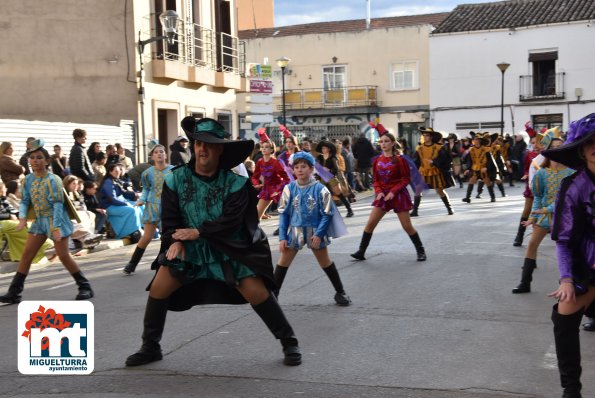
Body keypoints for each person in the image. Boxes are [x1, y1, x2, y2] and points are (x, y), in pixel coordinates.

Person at [125, 117, 302, 367]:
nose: (202, 149)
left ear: (220, 149)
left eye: (209, 144)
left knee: (256, 291)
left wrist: (197, 233)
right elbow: (170, 218)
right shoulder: (175, 180)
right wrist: (172, 242)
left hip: (228, 246)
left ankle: (289, 341)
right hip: (188, 247)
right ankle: (150, 346)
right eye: (198, 143)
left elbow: (232, 221)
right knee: (159, 285)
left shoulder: (236, 184)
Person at [0, 139, 94, 304]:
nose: (34, 161)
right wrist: (22, 220)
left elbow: (58, 204)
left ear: (47, 161)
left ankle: (85, 286)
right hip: (39, 221)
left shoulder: (54, 179)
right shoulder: (27, 180)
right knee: (27, 256)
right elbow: (24, 202)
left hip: (56, 220)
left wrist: (56, 227)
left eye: (39, 157)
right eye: (32, 158)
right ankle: (14, 293)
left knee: (64, 255)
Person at [543, 113, 595, 398]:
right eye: (590, 142)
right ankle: (571, 389)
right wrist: (565, 279)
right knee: (564, 315)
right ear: (581, 149)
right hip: (585, 266)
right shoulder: (573, 186)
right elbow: (563, 240)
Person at [273, 151, 351, 306]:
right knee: (283, 263)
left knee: (325, 262)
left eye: (304, 166)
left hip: (315, 232)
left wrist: (319, 234)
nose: (300, 170)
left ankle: (340, 292)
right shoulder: (289, 188)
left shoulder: (320, 189)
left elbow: (327, 213)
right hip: (295, 231)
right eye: (296, 167)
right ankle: (273, 296)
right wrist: (282, 237)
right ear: (293, 170)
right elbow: (284, 214)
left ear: (311, 169)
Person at [511, 128, 573, 294]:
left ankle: (570, 283)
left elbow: (569, 201)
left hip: (566, 217)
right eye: (555, 147)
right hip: (544, 218)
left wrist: (547, 209)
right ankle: (525, 282)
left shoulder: (572, 173)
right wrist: (533, 217)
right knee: (531, 244)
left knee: (567, 249)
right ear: (549, 150)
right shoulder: (541, 173)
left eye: (561, 146)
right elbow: (537, 198)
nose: (558, 149)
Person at [351, 132, 426, 262]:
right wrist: (379, 191)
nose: (383, 144)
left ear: (392, 143)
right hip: (383, 196)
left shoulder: (400, 159)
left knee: (407, 226)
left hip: (398, 195)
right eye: (381, 142)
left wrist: (393, 192)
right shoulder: (377, 161)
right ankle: (361, 251)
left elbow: (405, 179)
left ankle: (421, 251)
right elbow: (375, 180)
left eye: (386, 141)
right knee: (370, 224)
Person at [123, 142, 173, 275]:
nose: (159, 154)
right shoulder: (147, 173)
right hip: (152, 205)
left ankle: (163, 263)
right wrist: (141, 200)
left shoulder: (174, 170)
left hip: (168, 207)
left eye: (162, 151)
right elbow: (146, 189)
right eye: (156, 152)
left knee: (166, 236)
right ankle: (132, 263)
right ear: (152, 157)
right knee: (147, 236)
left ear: (166, 155)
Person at [0, 181, 53, 264]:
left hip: (9, 222)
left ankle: (42, 247)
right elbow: (8, 214)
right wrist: (8, 215)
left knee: (31, 224)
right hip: (3, 223)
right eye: (4, 188)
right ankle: (45, 246)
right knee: (25, 227)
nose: (6, 189)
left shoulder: (3, 200)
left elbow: (15, 212)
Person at [411, 127, 454, 216]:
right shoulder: (420, 148)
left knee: (439, 191)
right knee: (418, 189)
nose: (425, 137)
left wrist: (434, 162)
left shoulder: (439, 147)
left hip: (435, 172)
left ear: (431, 137)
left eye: (427, 135)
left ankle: (449, 208)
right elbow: (416, 161)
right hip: (423, 171)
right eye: (424, 135)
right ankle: (415, 211)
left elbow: (446, 159)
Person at [98, 163, 143, 241]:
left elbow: (123, 192)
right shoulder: (108, 182)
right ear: (110, 172)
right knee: (131, 210)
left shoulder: (115, 180)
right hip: (109, 206)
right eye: (115, 171)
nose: (118, 172)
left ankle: (140, 228)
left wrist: (135, 195)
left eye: (118, 171)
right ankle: (128, 232)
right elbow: (112, 199)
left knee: (139, 206)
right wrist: (126, 204)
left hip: (116, 204)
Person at [251, 131, 290, 220]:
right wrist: (256, 183)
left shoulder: (276, 162)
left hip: (278, 189)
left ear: (272, 150)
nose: (264, 149)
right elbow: (254, 176)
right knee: (256, 216)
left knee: (286, 214)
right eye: (262, 147)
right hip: (266, 189)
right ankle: (255, 233)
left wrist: (278, 190)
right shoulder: (260, 161)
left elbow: (286, 178)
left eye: (267, 147)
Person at [316, 140, 354, 218]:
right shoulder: (319, 157)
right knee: (322, 196)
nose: (323, 150)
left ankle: (349, 209)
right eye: (322, 148)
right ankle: (324, 213)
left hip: (331, 178)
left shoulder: (333, 157)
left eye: (325, 148)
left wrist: (329, 170)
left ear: (329, 149)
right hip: (322, 178)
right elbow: (317, 167)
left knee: (339, 194)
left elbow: (336, 169)